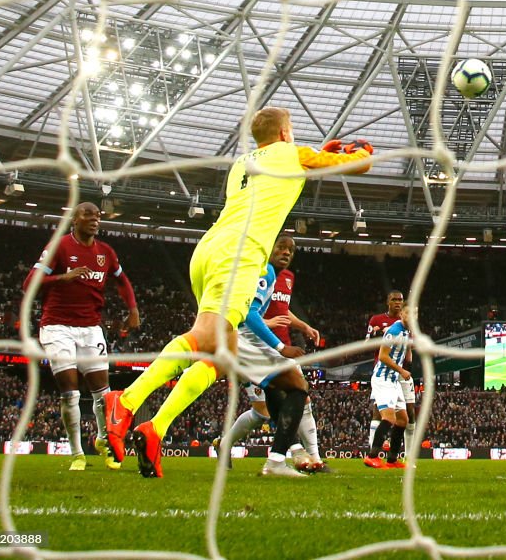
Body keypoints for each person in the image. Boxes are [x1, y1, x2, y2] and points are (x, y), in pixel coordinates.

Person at [104, 107, 372, 477]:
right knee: (205, 337)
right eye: (291, 130)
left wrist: (322, 154)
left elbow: (280, 178)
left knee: (221, 355)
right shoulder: (293, 152)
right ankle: (127, 399)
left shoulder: (242, 163)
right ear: (284, 133)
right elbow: (360, 167)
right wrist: (360, 153)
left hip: (210, 247)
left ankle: (156, 429)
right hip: (241, 253)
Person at [22, 201, 139, 471]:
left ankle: (103, 442)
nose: (95, 219)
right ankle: (77, 453)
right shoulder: (60, 247)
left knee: (103, 394)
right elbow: (29, 284)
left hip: (90, 328)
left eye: (98, 216)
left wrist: (132, 308)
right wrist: (63, 278)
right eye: (88, 214)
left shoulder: (106, 253)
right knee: (70, 393)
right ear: (74, 219)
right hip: (57, 327)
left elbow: (122, 281)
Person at [214, 234, 328, 473]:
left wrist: (302, 326)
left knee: (275, 396)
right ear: (270, 248)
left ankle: (288, 455)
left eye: (291, 250)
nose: (286, 253)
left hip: (246, 339)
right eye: (281, 248)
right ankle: (287, 456)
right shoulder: (264, 271)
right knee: (296, 389)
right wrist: (280, 347)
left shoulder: (277, 276)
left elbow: (275, 310)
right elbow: (250, 314)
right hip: (247, 340)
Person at [364, 304, 412, 470]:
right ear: (402, 315)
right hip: (382, 379)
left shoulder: (407, 331)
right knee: (389, 418)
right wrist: (402, 370)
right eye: (408, 313)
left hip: (393, 381)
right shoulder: (394, 331)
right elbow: (383, 356)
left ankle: (392, 459)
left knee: (403, 420)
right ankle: (372, 456)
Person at [366, 291, 406, 448]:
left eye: (400, 300)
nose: (397, 302)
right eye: (394, 299)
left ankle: (400, 452)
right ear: (388, 302)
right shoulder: (377, 320)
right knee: (380, 409)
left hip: (400, 372)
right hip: (383, 370)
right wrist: (378, 334)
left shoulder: (406, 320)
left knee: (406, 413)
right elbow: (367, 343)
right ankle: (373, 445)